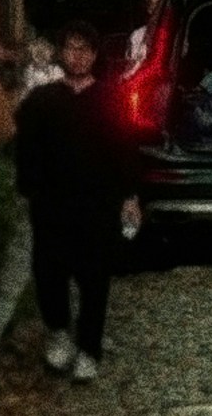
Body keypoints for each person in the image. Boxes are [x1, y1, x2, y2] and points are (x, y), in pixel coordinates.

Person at [14, 21, 133, 380]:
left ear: (94, 55)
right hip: (51, 202)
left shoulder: (111, 99)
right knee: (49, 271)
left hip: (97, 202)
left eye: (84, 49)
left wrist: (129, 195)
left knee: (95, 276)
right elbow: (25, 149)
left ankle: (89, 348)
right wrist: (28, 189)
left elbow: (125, 149)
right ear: (61, 52)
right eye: (71, 48)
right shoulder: (42, 100)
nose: (77, 56)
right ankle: (58, 334)